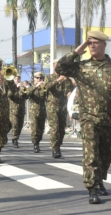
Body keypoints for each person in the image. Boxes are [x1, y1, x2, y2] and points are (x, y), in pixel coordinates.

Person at [55, 30, 111, 204]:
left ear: (104, 45)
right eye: (90, 43)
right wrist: (78, 51)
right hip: (89, 118)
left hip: (108, 119)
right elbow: (60, 67)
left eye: (96, 42)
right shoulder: (81, 67)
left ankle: (100, 179)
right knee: (91, 154)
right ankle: (92, 188)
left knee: (105, 154)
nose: (92, 45)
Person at [44, 59, 73, 158]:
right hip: (52, 106)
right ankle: (55, 149)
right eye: (58, 65)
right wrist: (58, 80)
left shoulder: (67, 80)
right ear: (54, 66)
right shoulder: (49, 77)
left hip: (63, 106)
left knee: (61, 129)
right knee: (55, 127)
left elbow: (69, 92)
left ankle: (58, 144)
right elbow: (46, 87)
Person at [26, 72, 46, 152]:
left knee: (41, 129)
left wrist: (44, 86)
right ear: (34, 79)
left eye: (40, 78)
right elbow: (27, 93)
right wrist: (36, 86)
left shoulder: (43, 87)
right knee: (35, 128)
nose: (39, 79)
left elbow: (47, 94)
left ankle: (38, 141)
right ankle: (35, 144)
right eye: (37, 78)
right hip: (34, 111)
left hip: (42, 110)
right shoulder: (31, 87)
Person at [8, 74, 27, 148]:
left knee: (20, 126)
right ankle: (15, 139)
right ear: (13, 79)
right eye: (16, 78)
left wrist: (22, 89)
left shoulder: (22, 87)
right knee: (15, 125)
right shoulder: (11, 87)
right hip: (13, 110)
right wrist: (15, 88)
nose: (18, 80)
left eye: (19, 78)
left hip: (21, 110)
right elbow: (9, 95)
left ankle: (16, 137)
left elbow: (26, 96)